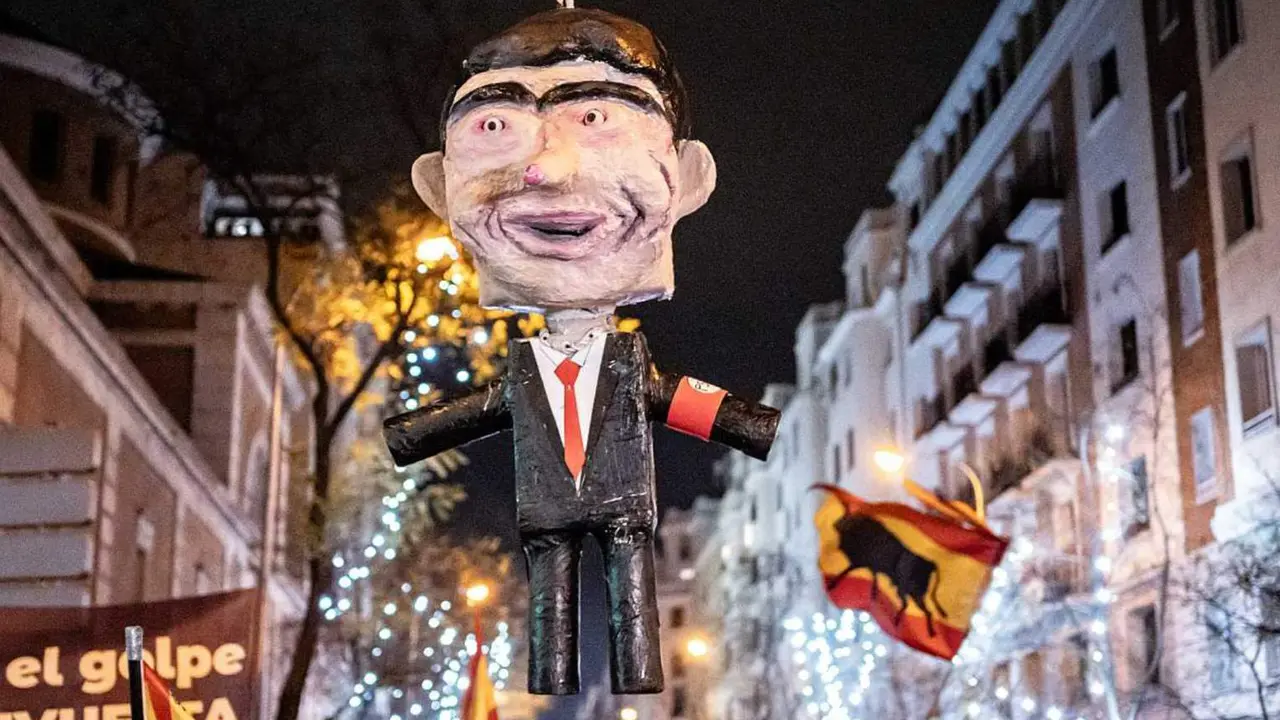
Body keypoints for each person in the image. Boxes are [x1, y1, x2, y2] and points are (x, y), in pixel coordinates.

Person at [383, 7, 780, 696]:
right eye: (494, 127)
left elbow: (668, 395)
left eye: (596, 118)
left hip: (623, 502)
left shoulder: (628, 364)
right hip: (546, 507)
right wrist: (413, 434)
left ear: (687, 178)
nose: (543, 169)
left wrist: (746, 424)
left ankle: (637, 668)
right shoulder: (528, 370)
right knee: (551, 583)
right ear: (438, 191)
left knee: (630, 574)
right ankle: (551, 673)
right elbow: (481, 408)